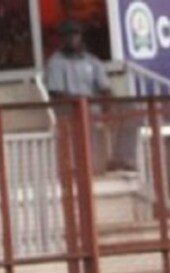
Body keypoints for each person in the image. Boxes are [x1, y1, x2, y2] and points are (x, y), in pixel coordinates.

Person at [44, 20, 135, 173]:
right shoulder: (56, 62)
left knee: (132, 111)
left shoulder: (91, 61)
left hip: (94, 106)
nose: (71, 39)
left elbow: (105, 88)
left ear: (80, 37)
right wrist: (83, 101)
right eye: (67, 35)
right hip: (70, 109)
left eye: (75, 34)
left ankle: (121, 159)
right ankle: (84, 166)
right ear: (61, 39)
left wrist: (108, 104)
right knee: (86, 113)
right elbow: (56, 93)